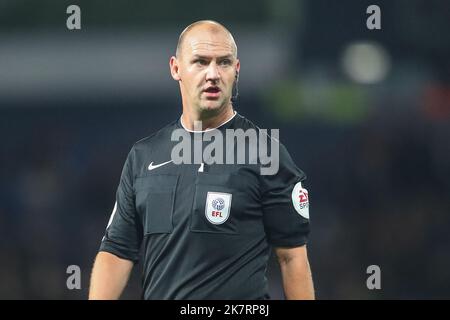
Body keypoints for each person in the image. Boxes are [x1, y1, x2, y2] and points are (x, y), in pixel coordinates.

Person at [89, 20, 314, 300]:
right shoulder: (144, 156)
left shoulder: (265, 153)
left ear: (236, 70)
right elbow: (116, 252)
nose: (213, 74)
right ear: (176, 68)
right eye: (200, 61)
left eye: (223, 62)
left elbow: (291, 257)